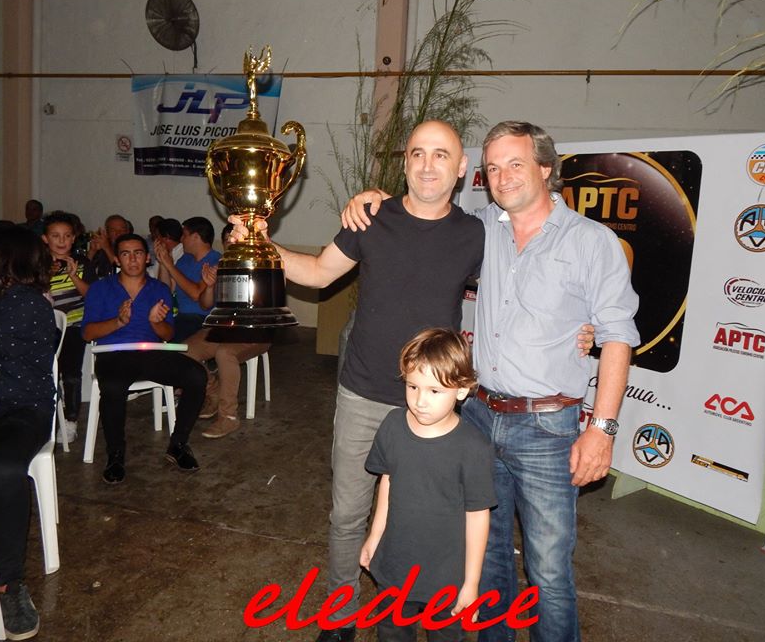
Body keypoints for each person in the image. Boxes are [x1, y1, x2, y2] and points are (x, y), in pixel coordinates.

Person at [233, 120, 589, 642]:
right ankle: (340, 614)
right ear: (404, 163)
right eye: (418, 153)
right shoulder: (371, 218)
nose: (427, 165)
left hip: (437, 405)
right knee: (348, 515)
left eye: (441, 154)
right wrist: (260, 244)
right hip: (363, 393)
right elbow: (316, 273)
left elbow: (524, 283)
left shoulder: (477, 233)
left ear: (462, 168)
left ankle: (430, 606)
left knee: (436, 518)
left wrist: (580, 326)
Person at [344, 121, 639, 642]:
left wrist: (603, 429)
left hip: (548, 427)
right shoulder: (482, 229)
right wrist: (374, 199)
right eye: (494, 168)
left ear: (546, 169)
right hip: (479, 416)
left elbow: (618, 336)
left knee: (549, 571)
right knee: (489, 557)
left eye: (516, 164)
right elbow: (425, 208)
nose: (503, 177)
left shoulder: (592, 242)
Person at [361, 328, 496, 642]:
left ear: (461, 390)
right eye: (413, 386)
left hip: (446, 577)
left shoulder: (473, 447)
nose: (420, 401)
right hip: (395, 567)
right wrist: (374, 536)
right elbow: (387, 481)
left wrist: (471, 583)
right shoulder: (392, 426)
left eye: (435, 391)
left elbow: (478, 515)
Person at [0, 226, 59, 640]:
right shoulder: (0, 299)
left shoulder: (21, 304)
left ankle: (10, 583)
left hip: (21, 410)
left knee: (1, 470)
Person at [81, 233, 206, 483]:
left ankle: (178, 444)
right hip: (113, 354)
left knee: (197, 375)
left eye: (138, 253)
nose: (132, 259)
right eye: (125, 254)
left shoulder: (159, 289)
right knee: (113, 387)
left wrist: (155, 323)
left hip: (151, 353)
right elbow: (87, 333)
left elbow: (168, 334)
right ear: (117, 259)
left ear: (147, 257)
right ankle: (115, 454)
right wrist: (118, 322)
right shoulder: (100, 288)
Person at [186, 255, 270, 438]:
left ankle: (228, 416)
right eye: (229, 244)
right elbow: (205, 304)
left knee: (225, 353)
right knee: (185, 349)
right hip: (223, 328)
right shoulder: (223, 268)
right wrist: (210, 286)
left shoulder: (266, 268)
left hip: (256, 331)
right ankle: (212, 391)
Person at [42, 211, 91, 444]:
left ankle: (71, 420)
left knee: (70, 371)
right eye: (55, 236)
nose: (62, 241)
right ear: (45, 239)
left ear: (74, 238)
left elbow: (92, 296)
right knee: (45, 371)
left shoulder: (82, 263)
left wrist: (74, 276)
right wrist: (45, 275)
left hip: (74, 324)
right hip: (44, 326)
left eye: (67, 235)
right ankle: (46, 417)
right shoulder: (37, 264)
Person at [155, 216, 220, 342]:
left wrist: (170, 265)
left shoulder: (216, 261)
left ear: (195, 237)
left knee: (176, 332)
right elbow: (166, 289)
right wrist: (163, 262)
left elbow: (196, 294)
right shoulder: (185, 259)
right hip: (179, 316)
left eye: (184, 235)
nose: (181, 240)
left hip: (202, 318)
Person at [86, 214, 131, 281]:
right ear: (107, 233)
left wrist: (106, 248)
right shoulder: (101, 250)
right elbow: (84, 271)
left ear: (128, 232)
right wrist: (92, 251)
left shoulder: (134, 249)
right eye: (113, 230)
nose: (118, 233)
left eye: (122, 230)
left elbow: (122, 271)